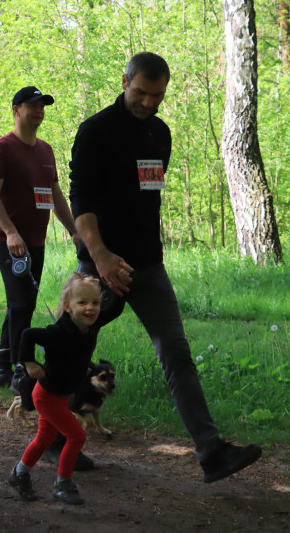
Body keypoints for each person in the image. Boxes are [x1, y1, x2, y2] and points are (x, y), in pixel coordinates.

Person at [68, 51, 262, 482]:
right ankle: (57, 438)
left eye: (158, 96)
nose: (149, 103)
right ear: (124, 82)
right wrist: (99, 257)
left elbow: (146, 199)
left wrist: (143, 256)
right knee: (70, 350)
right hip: (99, 264)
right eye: (141, 93)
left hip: (147, 267)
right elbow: (81, 199)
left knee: (177, 353)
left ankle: (211, 452)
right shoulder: (95, 132)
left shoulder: (160, 134)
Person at [0, 86, 79, 390]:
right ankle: (19, 369)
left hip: (35, 240)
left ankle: (2, 366)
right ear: (16, 109)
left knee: (22, 303)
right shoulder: (2, 149)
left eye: (42, 107)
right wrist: (11, 232)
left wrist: (74, 230)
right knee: (22, 302)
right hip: (7, 240)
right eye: (32, 106)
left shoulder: (45, 150)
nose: (39, 111)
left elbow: (56, 195)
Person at [8, 272, 110, 505]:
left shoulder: (89, 327)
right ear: (67, 306)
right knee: (76, 435)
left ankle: (19, 474)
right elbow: (28, 334)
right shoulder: (58, 332)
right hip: (46, 396)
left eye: (95, 303)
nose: (90, 308)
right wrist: (29, 361)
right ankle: (62, 483)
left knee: (44, 439)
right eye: (82, 302)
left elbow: (113, 309)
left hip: (61, 395)